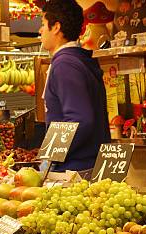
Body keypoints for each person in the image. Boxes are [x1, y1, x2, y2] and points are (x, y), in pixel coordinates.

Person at [39, 0, 110, 176]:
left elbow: (80, 119)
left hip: (74, 169)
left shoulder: (65, 64)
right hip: (88, 164)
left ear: (56, 27)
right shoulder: (78, 60)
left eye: (43, 24)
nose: (40, 31)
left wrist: (52, 156)